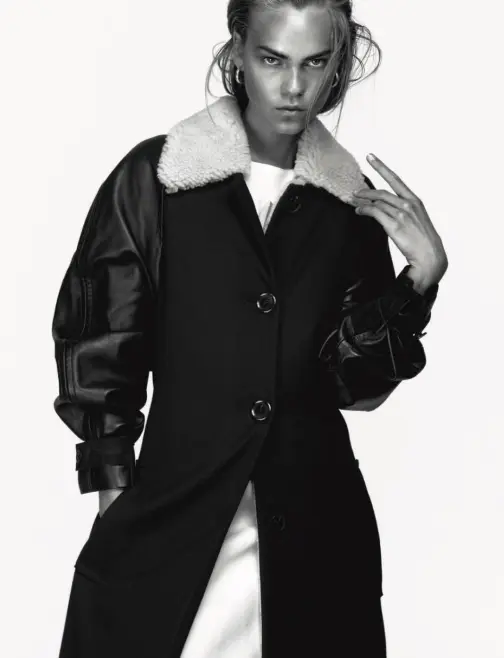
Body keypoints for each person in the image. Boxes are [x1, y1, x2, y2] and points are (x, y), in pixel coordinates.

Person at [52, 1, 448, 657]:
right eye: (272, 59)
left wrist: (418, 282)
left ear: (338, 63)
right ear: (237, 50)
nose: (293, 87)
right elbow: (100, 345)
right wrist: (116, 503)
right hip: (174, 524)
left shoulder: (347, 203)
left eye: (315, 62)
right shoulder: (157, 178)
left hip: (316, 543)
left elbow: (356, 389)